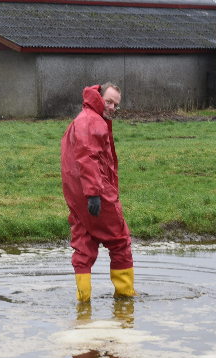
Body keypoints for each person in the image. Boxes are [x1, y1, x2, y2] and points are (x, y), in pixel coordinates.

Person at [60, 82, 136, 302]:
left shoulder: (84, 119)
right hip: (96, 192)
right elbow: (88, 157)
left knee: (84, 245)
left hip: (77, 195)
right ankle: (125, 298)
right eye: (109, 101)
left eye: (116, 105)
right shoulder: (93, 121)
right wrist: (94, 193)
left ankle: (83, 303)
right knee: (120, 240)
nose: (112, 107)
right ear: (99, 97)